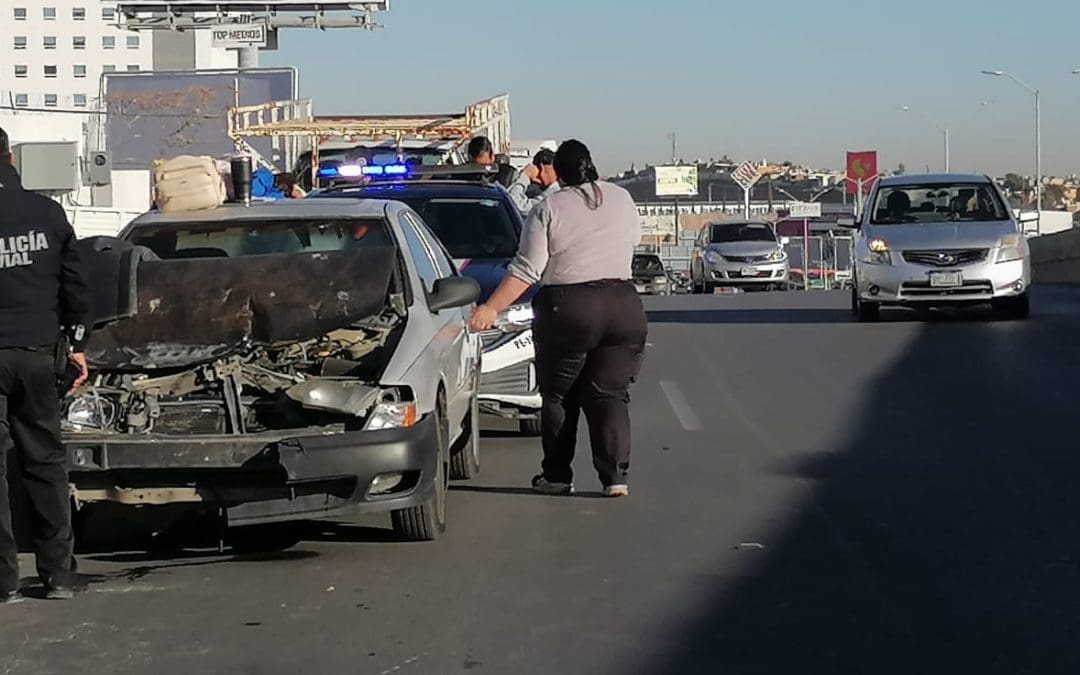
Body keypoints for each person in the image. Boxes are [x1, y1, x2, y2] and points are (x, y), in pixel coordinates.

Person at [468, 140, 647, 498]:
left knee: (560, 396)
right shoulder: (622, 198)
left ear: (557, 173)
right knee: (610, 395)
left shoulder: (548, 208)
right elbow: (633, 242)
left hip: (568, 308)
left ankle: (558, 476)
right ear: (590, 163)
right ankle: (615, 478)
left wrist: (490, 308)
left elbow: (526, 270)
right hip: (624, 306)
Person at [0, 127, 91, 603]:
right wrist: (77, 343)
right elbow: (75, 286)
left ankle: (3, 582)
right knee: (46, 463)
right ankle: (58, 573)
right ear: (10, 157)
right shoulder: (47, 213)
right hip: (37, 355)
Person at [507, 147, 561, 215]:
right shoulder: (562, 190)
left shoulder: (554, 193)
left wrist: (524, 177)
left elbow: (516, 205)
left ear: (541, 168)